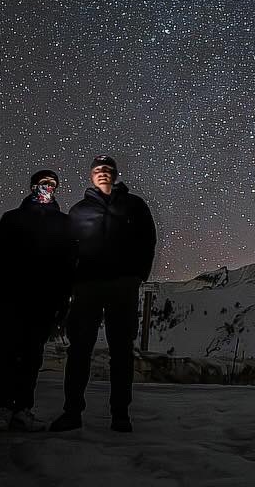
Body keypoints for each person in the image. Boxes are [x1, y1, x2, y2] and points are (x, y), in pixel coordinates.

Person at [50, 154, 157, 434]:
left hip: (122, 286)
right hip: (87, 287)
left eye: (108, 169)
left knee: (121, 351)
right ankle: (72, 412)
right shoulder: (78, 211)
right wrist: (70, 283)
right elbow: (66, 250)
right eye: (98, 169)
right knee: (79, 350)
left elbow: (148, 241)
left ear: (116, 174)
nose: (103, 173)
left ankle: (120, 414)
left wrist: (137, 276)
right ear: (91, 175)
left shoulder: (135, 205)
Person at [0, 169, 71, 432]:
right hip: (13, 297)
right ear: (33, 186)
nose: (48, 187)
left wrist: (63, 302)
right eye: (44, 183)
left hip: (44, 300)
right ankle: (3, 408)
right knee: (8, 353)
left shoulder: (63, 223)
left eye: (53, 184)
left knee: (32, 356)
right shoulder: (12, 219)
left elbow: (67, 264)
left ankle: (23, 408)